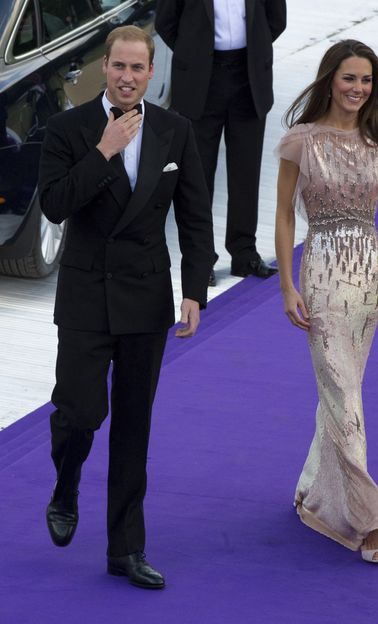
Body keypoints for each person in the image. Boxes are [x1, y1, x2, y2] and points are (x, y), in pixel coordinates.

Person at [39, 25, 214, 588]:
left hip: (145, 298)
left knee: (133, 429)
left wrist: (193, 289)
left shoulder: (174, 131)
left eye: (138, 69)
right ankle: (66, 486)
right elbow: (56, 206)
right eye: (119, 66)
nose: (127, 77)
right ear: (104, 67)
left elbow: (194, 216)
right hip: (87, 297)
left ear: (152, 73)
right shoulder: (68, 129)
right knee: (80, 413)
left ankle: (125, 549)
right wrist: (103, 152)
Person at [274, 40, 378, 563]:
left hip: (370, 281)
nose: (357, 89)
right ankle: (367, 521)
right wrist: (287, 284)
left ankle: (311, 488)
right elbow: (283, 217)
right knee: (343, 394)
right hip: (320, 274)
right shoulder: (301, 140)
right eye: (349, 79)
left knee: (343, 390)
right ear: (329, 79)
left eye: (366, 81)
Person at [155, 0, 286, 285]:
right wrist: (195, 52)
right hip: (201, 78)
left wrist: (255, 49)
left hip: (249, 75)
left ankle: (244, 253)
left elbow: (276, 20)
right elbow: (165, 22)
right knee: (198, 176)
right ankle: (201, 259)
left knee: (246, 171)